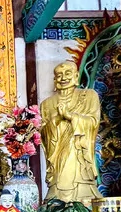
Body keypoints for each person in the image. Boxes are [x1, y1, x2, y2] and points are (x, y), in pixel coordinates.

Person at [40, 62, 101, 202]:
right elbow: (43, 134)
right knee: (57, 191)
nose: (63, 78)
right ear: (54, 79)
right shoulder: (46, 104)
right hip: (58, 154)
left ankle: (84, 197)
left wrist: (71, 117)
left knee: (81, 185)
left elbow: (93, 122)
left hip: (79, 151)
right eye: (59, 75)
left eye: (67, 74)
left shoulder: (89, 96)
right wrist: (56, 120)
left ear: (76, 76)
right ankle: (56, 199)